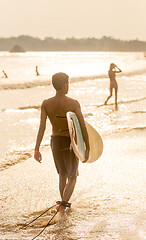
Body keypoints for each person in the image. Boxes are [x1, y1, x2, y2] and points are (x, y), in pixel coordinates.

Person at [34, 72, 90, 216]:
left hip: (56, 141)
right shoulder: (73, 103)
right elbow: (82, 126)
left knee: (62, 175)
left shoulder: (46, 103)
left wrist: (37, 149)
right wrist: (87, 147)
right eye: (68, 84)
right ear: (65, 85)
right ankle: (63, 206)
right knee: (73, 176)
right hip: (69, 142)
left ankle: (63, 206)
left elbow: (42, 127)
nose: (68, 86)